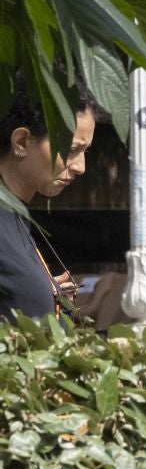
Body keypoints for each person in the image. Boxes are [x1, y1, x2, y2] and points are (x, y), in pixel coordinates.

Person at [1, 84, 97, 318]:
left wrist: (43, 292)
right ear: (22, 142)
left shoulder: (16, 217)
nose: (80, 167)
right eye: (72, 149)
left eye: (86, 151)